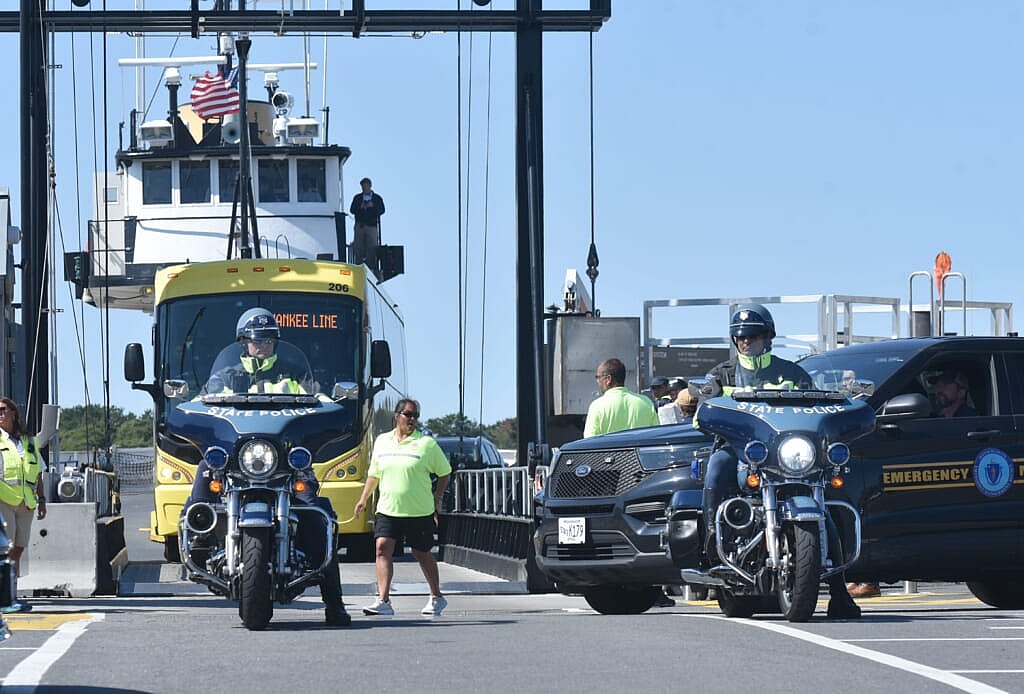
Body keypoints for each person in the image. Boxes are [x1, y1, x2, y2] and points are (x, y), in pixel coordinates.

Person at [697, 304, 862, 619]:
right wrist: (703, 409)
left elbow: (818, 407)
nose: (747, 341)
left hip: (790, 453)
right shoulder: (722, 374)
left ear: (767, 338)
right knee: (717, 468)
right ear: (734, 340)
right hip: (740, 449)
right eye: (741, 337)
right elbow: (703, 411)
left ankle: (840, 591)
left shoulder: (791, 373)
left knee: (830, 501)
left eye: (754, 336)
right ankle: (712, 545)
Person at [189, 308, 350, 626]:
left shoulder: (292, 373)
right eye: (254, 340)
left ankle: (335, 603)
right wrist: (189, 407)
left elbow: (316, 398)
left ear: (275, 343)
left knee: (320, 517)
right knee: (203, 473)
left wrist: (332, 406)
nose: (261, 345)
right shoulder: (225, 375)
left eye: (267, 340)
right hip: (238, 460)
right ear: (243, 342)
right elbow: (202, 401)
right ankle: (197, 539)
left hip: (285, 461)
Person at [355, 399, 452, 617]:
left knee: (421, 552)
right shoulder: (382, 441)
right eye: (408, 414)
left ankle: (436, 596)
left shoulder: (426, 444)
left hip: (419, 511)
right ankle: (383, 600)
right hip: (388, 509)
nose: (412, 419)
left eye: (416, 415)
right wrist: (363, 499)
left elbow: (445, 472)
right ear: (397, 416)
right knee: (382, 548)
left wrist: (437, 499)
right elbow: (374, 474)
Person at [0, 397, 46, 614]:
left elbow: (39, 472)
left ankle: (11, 595)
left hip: (26, 502)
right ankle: (6, 598)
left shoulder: (28, 441)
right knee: (7, 548)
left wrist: (42, 499)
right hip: (3, 500)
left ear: (13, 413)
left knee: (18, 548)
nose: (0, 414)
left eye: (2, 410)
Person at [203, 308, 309, 395]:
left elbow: (322, 404)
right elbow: (197, 408)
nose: (264, 346)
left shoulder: (296, 375)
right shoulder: (224, 378)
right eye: (257, 341)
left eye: (269, 341)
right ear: (243, 343)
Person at [584, 359, 659, 438]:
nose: (597, 381)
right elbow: (655, 435)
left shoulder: (597, 406)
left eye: (598, 377)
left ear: (608, 379)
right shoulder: (646, 402)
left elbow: (589, 441)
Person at [349, 177, 385, 273]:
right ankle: (358, 266)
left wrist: (372, 206)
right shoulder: (357, 198)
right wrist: (360, 207)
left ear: (370, 186)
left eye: (365, 186)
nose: (364, 188)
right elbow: (352, 210)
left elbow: (382, 210)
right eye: (362, 186)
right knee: (358, 246)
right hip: (359, 226)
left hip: (371, 226)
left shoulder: (377, 198)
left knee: (372, 247)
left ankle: (371, 268)